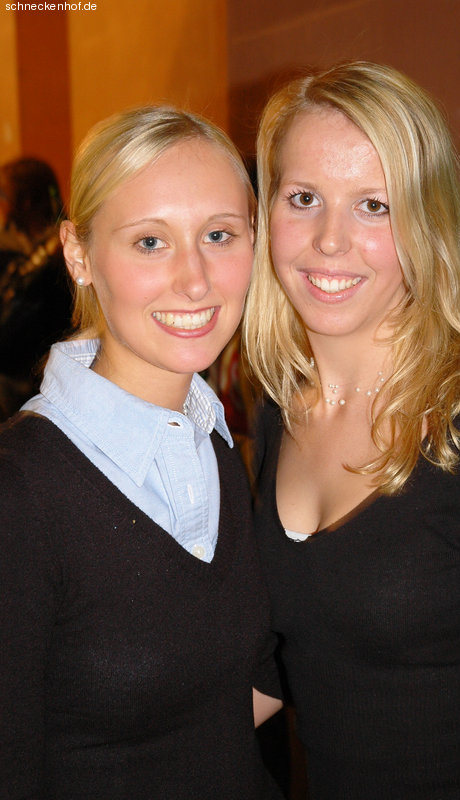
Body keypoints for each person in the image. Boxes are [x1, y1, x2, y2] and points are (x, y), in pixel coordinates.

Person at [243, 61, 460, 799]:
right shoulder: (277, 416)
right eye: (304, 198)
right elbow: (296, 658)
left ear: (427, 226)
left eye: (374, 206)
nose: (329, 240)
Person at [0, 105, 282, 799]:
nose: (195, 279)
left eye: (219, 235)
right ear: (78, 254)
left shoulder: (218, 448)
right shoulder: (22, 492)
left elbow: (240, 688)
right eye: (150, 242)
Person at [0, 157, 72, 416]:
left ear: (26, 201)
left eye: (4, 195)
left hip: (45, 387)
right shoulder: (11, 247)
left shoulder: (64, 253)